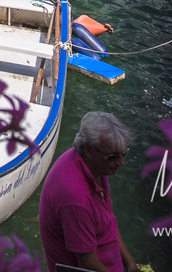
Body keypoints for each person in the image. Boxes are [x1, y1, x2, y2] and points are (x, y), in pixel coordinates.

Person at [39, 112, 139, 272]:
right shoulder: (76, 199)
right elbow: (87, 263)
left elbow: (108, 222)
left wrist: (130, 263)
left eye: (123, 154)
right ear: (88, 149)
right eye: (113, 156)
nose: (122, 162)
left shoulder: (95, 168)